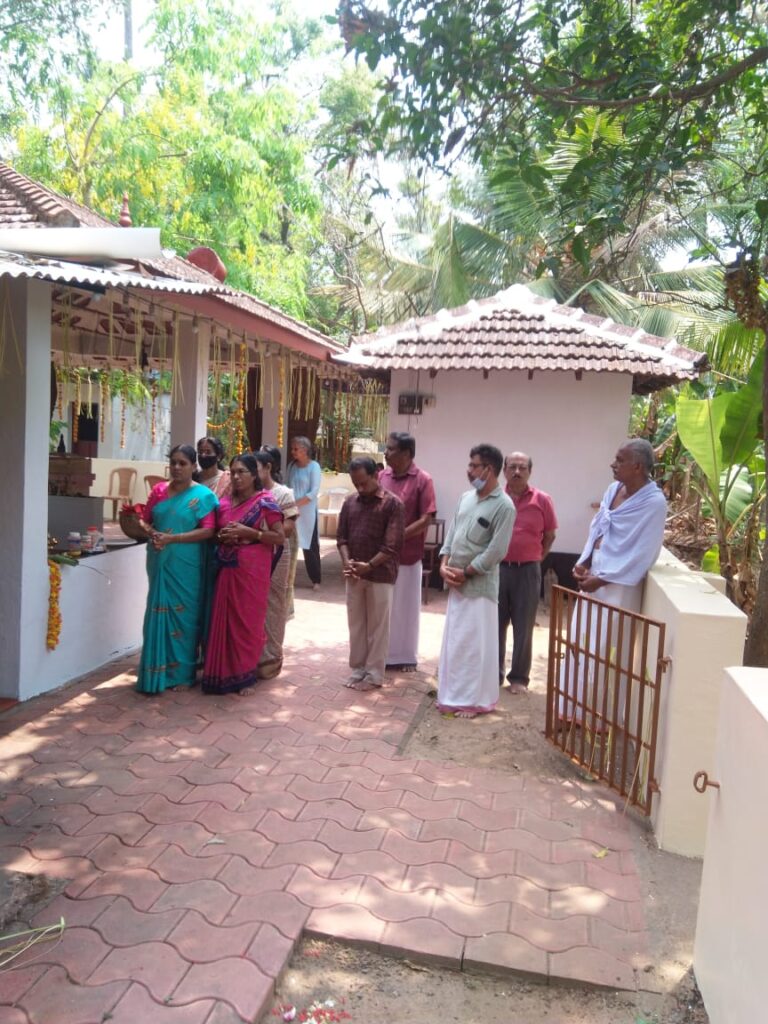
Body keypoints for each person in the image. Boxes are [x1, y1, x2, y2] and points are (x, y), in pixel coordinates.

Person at [559, 438, 667, 723]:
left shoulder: (654, 503)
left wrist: (604, 579)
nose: (613, 464)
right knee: (580, 643)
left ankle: (599, 720)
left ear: (638, 466)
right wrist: (584, 561)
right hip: (595, 575)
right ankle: (572, 711)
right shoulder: (613, 489)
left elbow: (645, 553)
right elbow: (598, 527)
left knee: (607, 650)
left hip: (619, 585)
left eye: (620, 460)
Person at [437, 444, 516, 718]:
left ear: (489, 469)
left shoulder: (504, 506)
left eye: (474, 466)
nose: (469, 471)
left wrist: (467, 571)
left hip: (479, 587)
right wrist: (443, 564)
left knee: (474, 647)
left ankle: (475, 702)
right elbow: (453, 534)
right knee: (456, 643)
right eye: (469, 465)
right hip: (455, 584)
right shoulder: (465, 498)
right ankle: (452, 695)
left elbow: (497, 550)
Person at [136, 444, 218, 695]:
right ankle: (155, 672)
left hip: (187, 562)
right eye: (173, 462)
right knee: (157, 612)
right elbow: (144, 519)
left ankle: (183, 674)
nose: (177, 468)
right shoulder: (159, 491)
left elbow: (208, 530)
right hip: (160, 558)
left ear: (194, 466)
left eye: (183, 463)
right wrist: (153, 533)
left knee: (185, 617)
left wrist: (173, 538)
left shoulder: (203, 496)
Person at [202, 454, 285, 696]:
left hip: (252, 571)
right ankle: (222, 673)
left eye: (242, 472)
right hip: (227, 568)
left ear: (254, 475)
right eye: (233, 471)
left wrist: (252, 533)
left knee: (247, 623)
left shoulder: (265, 502)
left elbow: (279, 537)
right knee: (225, 621)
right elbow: (216, 533)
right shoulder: (224, 503)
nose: (236, 477)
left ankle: (245, 675)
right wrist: (223, 537)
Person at [336, 456, 404, 692]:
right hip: (354, 573)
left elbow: (392, 546)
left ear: (376, 475)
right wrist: (347, 562)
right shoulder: (349, 502)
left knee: (377, 626)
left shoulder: (393, 504)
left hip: (381, 575)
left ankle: (375, 674)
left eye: (364, 482)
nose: (360, 488)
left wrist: (369, 566)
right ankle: (358, 669)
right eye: (356, 484)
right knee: (356, 624)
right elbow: (341, 538)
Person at [498, 451, 558, 694]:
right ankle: (494, 674)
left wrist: (536, 558)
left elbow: (551, 535)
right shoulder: (495, 498)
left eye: (522, 467)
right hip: (498, 569)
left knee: (524, 626)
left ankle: (519, 678)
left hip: (528, 571)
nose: (517, 472)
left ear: (530, 472)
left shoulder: (542, 500)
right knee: (496, 623)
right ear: (504, 471)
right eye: (512, 467)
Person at [378, 432, 436, 672]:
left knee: (405, 608)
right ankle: (381, 654)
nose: (386, 452)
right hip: (381, 556)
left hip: (408, 555)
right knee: (383, 607)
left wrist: (397, 537)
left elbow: (426, 519)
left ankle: (404, 656)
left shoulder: (423, 479)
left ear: (405, 454)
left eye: (390, 449)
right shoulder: (382, 476)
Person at [254, 446, 299, 679]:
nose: (249, 474)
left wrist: (262, 534)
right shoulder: (246, 493)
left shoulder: (282, 494)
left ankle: (271, 658)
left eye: (255, 469)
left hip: (276, 553)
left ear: (268, 468)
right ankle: (249, 656)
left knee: (273, 603)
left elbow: (288, 529)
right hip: (251, 555)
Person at [286, 436, 322, 609]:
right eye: (292, 449)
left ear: (305, 450)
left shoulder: (314, 467)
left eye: (296, 449)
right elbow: (287, 487)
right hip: (292, 510)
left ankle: (316, 579)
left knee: (310, 545)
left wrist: (296, 503)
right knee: (290, 543)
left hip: (307, 512)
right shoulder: (291, 466)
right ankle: (288, 577)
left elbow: (313, 492)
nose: (293, 452)